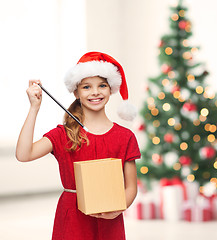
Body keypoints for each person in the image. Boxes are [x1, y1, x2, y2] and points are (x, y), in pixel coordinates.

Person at [16, 52, 141, 240]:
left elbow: (131, 186)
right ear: (76, 92)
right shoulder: (63, 134)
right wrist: (34, 108)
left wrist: (118, 209)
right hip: (72, 221)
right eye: (86, 87)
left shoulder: (125, 137)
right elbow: (24, 154)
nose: (95, 92)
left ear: (111, 89)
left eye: (102, 85)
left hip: (111, 221)